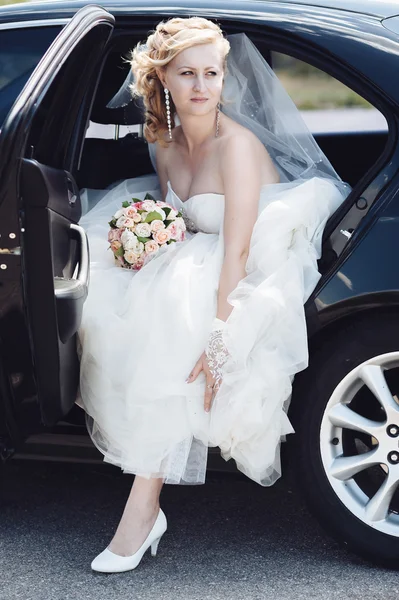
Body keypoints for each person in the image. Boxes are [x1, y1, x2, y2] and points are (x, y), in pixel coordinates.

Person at [76, 16, 351, 573]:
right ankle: (144, 502)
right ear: (164, 81)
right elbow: (179, 219)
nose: (202, 87)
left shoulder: (238, 148)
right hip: (199, 251)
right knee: (105, 293)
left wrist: (221, 338)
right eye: (188, 74)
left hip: (249, 266)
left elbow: (237, 254)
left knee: (176, 324)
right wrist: (147, 240)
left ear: (226, 78)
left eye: (213, 73)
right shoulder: (164, 143)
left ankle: (142, 509)